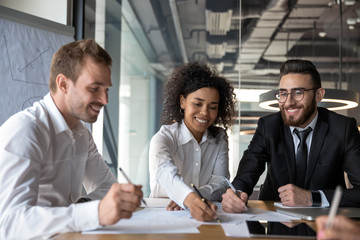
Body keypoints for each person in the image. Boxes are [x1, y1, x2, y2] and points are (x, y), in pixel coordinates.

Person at [0, 39, 143, 239]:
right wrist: (95, 212)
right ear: (63, 84)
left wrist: (87, 206)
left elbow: (106, 186)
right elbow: (10, 223)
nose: (105, 100)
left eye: (107, 89)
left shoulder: (81, 132)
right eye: (94, 88)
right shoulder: (25, 130)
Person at [222, 59, 360, 213]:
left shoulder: (343, 129)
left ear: (318, 95)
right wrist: (237, 193)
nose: (288, 102)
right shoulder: (268, 126)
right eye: (283, 94)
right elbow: (248, 171)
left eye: (298, 93)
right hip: (277, 225)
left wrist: (313, 198)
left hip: (325, 226)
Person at [149, 62, 236, 221]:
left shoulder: (220, 137)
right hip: (164, 217)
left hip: (206, 217)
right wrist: (188, 198)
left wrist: (193, 197)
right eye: (197, 104)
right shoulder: (163, 138)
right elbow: (165, 173)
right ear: (182, 101)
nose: (204, 113)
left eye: (213, 107)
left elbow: (221, 181)